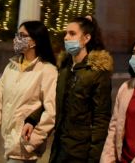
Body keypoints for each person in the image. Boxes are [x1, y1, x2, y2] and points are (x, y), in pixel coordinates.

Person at [24, 15, 113, 163]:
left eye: (72, 33)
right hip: (59, 148)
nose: (66, 37)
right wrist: (32, 120)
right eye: (66, 33)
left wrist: (94, 157)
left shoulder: (97, 73)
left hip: (80, 153)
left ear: (86, 38)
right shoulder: (64, 69)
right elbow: (52, 99)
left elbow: (101, 120)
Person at [0, 20, 58, 162]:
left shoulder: (47, 71)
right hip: (8, 146)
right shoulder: (11, 67)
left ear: (34, 42)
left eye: (22, 35)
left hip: (24, 149)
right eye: (17, 34)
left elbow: (51, 111)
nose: (17, 39)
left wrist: (31, 141)